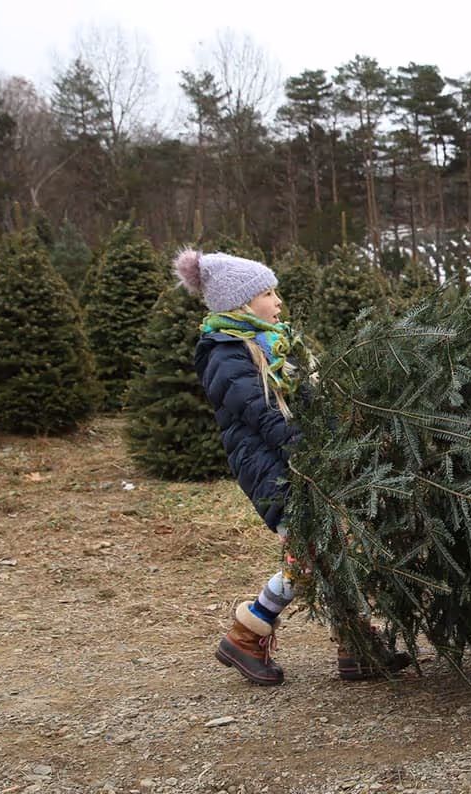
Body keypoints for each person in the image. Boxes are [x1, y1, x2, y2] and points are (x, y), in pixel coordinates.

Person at [173, 248, 407, 686]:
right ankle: (247, 635)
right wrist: (315, 454)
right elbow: (268, 416)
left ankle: (355, 646)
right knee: (314, 552)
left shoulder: (271, 341)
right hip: (275, 471)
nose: (278, 300)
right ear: (241, 303)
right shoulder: (227, 355)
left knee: (329, 551)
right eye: (267, 292)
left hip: (298, 462)